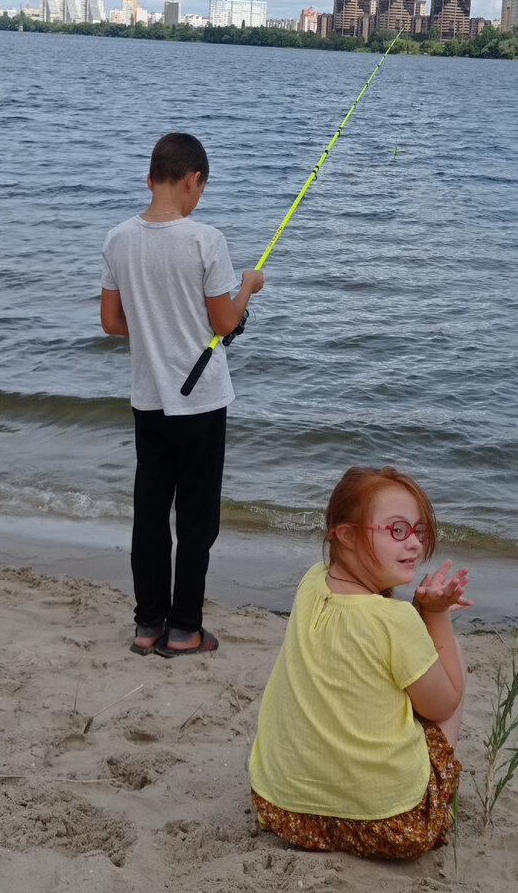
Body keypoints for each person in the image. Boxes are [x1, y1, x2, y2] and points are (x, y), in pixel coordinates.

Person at [249, 465, 470, 859]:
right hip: (391, 823)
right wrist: (436, 616)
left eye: (418, 531)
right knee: (451, 662)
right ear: (347, 535)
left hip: (284, 807)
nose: (415, 545)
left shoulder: (312, 583)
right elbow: (444, 705)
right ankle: (434, 784)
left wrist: (418, 607)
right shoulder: (395, 621)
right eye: (397, 530)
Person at [101, 132, 264, 657]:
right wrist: (248, 286)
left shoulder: (118, 238)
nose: (199, 199)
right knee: (196, 520)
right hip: (201, 401)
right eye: (200, 189)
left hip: (148, 398)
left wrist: (154, 328)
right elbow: (225, 320)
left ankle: (147, 625)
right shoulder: (205, 240)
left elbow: (111, 322)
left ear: (151, 179)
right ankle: (184, 629)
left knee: (150, 515)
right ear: (193, 180)